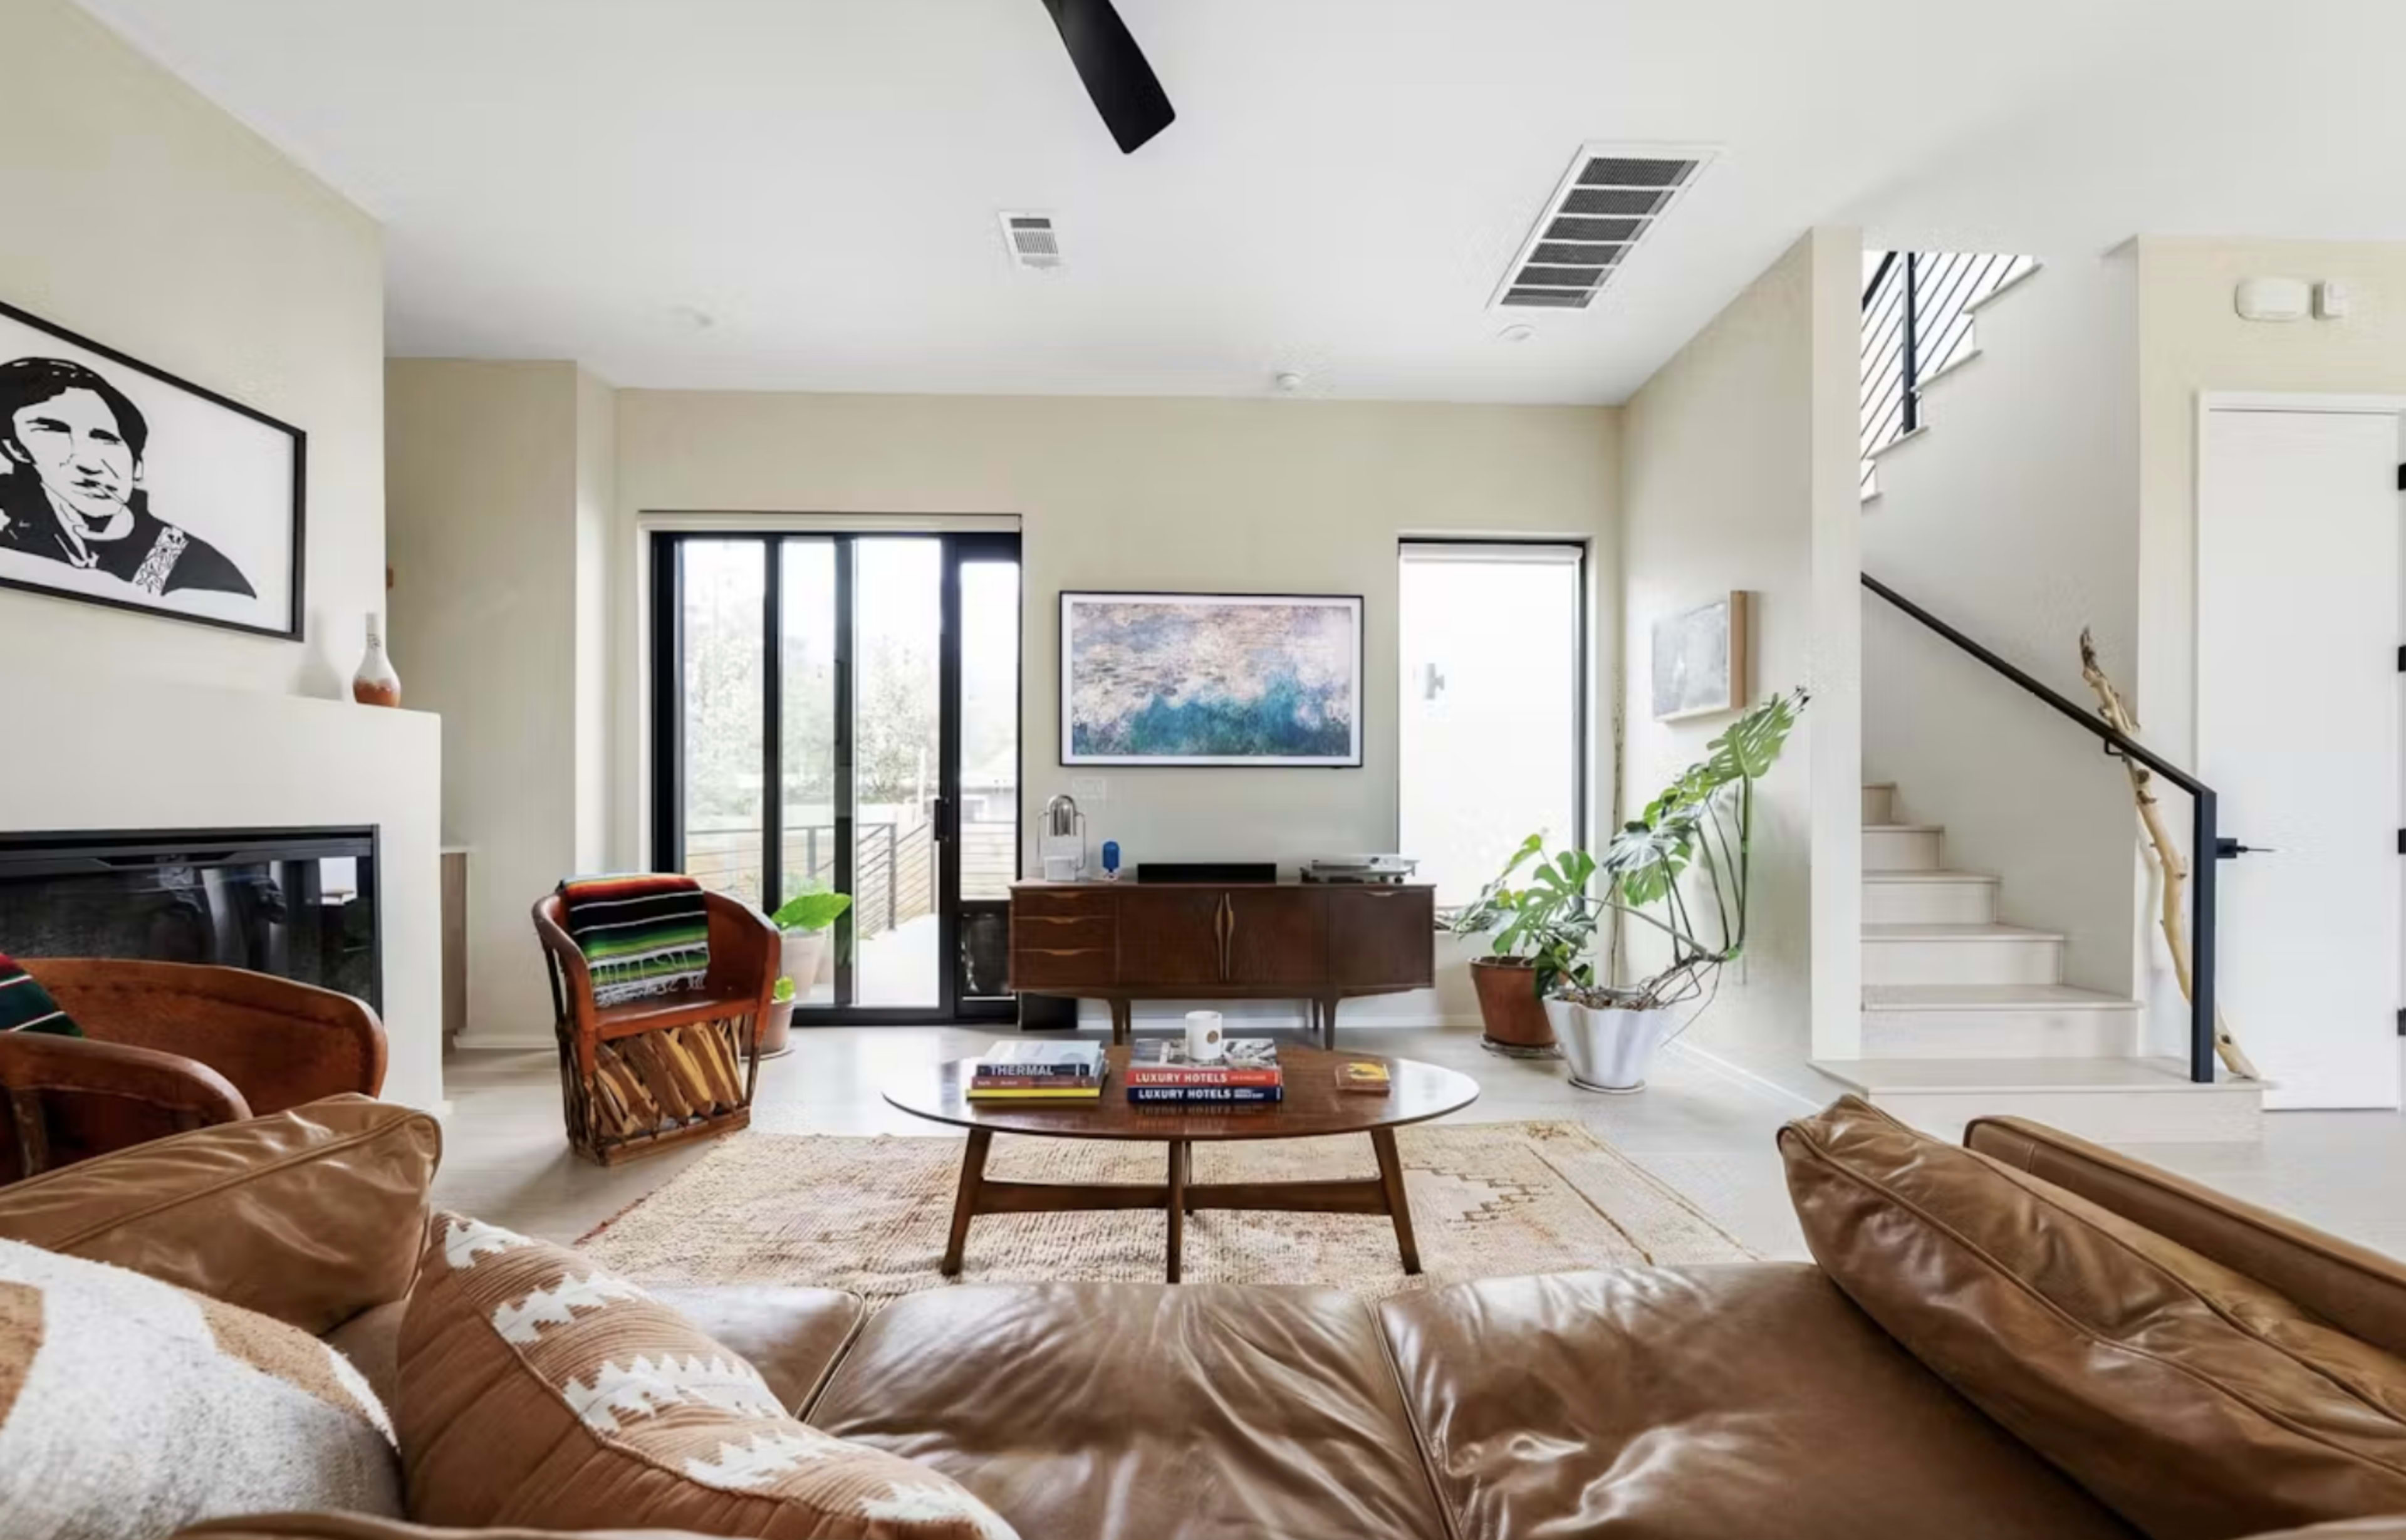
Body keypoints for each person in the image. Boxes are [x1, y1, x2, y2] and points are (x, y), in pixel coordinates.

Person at [0, 356, 253, 598]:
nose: (89, 463)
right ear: (16, 449)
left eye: (105, 438)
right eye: (54, 432)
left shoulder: (197, 565)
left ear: (137, 467)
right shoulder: (13, 539)